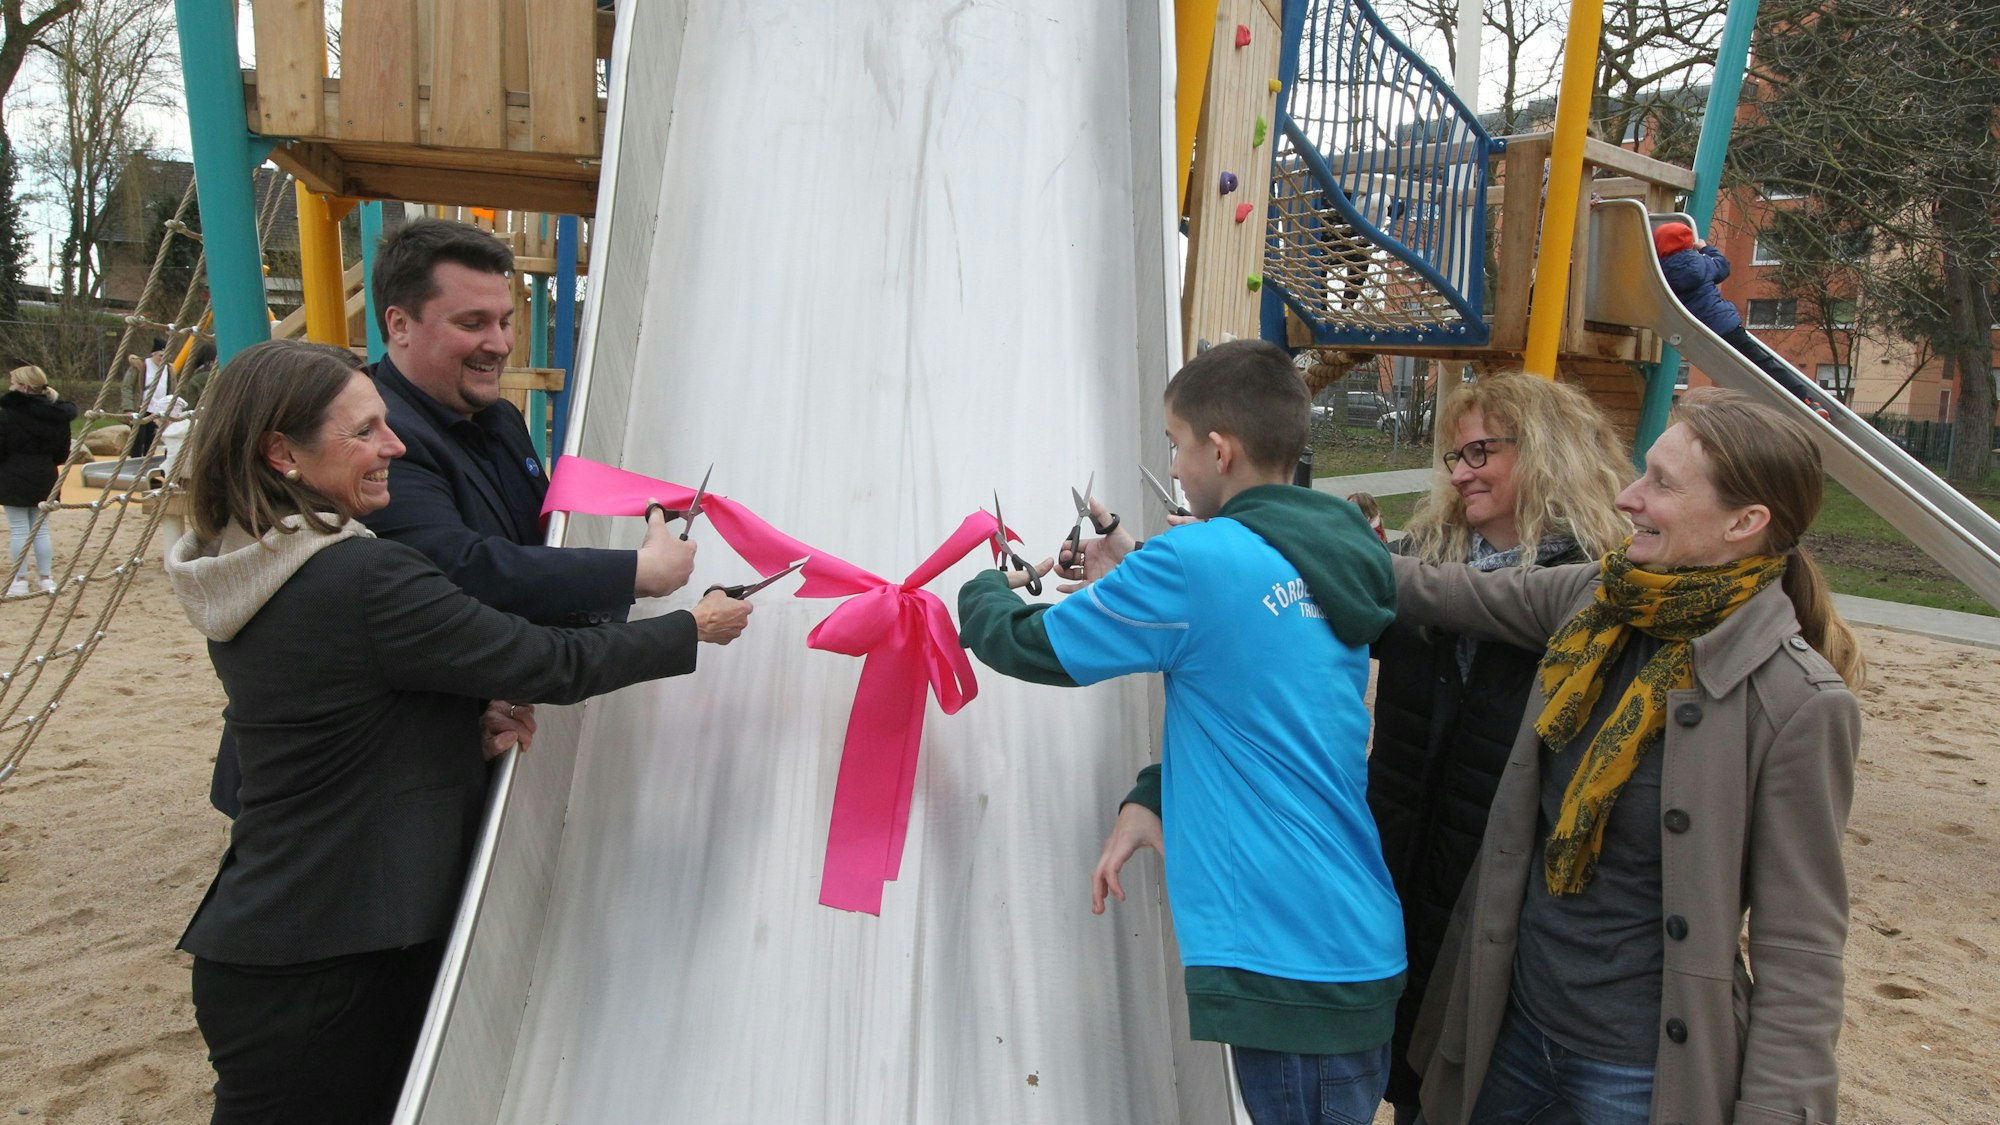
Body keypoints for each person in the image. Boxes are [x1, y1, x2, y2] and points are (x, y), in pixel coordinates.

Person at [165, 339, 753, 1124]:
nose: (396, 446)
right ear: (283, 452)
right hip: (326, 961)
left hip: (282, 940)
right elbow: (546, 659)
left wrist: (454, 724)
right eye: (365, 431)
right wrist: (691, 626)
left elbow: (334, 715)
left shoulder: (252, 563)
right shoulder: (360, 576)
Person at [1105, 373, 1633, 1125]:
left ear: (1550, 451)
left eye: (1482, 450)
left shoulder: (1592, 593)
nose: (1462, 471)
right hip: (1395, 882)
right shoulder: (1423, 562)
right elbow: (1275, 682)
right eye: (1452, 456)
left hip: (1507, 906)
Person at [959, 339, 1407, 1125]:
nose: (1172, 467)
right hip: (1346, 940)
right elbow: (1265, 710)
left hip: (1285, 960)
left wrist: (984, 584)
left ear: (1219, 449)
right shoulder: (1329, 549)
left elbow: (1032, 645)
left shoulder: (1200, 561)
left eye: (1174, 444)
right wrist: (1155, 790)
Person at [1395, 388, 1864, 1125]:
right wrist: (1263, 527)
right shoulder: (1600, 599)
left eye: (1661, 485)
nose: (1626, 497)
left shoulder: (1795, 702)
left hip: (1636, 1072)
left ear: (1745, 522)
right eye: (1642, 473)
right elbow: (1433, 589)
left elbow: (1800, 949)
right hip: (1511, 1029)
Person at [205, 219, 690, 816]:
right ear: (399, 326)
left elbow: (518, 546)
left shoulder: (498, 418)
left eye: (506, 321)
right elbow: (459, 569)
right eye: (472, 323)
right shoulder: (374, 450)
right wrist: (636, 574)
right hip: (338, 785)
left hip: (422, 740)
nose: (501, 342)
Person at [1653, 221, 1826, 413]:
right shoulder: (1700, 262)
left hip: (1697, 333)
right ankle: (1806, 400)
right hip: (1724, 327)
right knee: (1763, 363)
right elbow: (1723, 267)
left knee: (1735, 375)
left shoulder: (1660, 272)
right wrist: (1705, 248)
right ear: (1688, 244)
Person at [2, 365, 77, 597]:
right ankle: (46, 578)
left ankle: (20, 580)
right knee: (41, 529)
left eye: (13, 383)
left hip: (12, 473)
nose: (10, 387)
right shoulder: (58, 415)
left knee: (18, 529)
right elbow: (62, 453)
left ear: (23, 387)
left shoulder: (7, 414)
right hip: (45, 473)